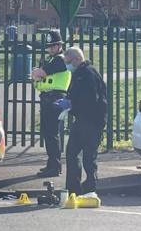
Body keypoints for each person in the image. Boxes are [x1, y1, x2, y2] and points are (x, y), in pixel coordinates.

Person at [57, 47, 107, 195]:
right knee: (72, 152)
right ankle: (73, 188)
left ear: (77, 60)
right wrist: (68, 102)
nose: (67, 66)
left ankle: (90, 187)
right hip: (82, 120)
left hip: (92, 121)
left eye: (68, 62)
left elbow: (89, 100)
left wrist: (71, 105)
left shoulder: (88, 74)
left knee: (88, 157)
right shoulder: (79, 73)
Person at [31, 30, 71, 178]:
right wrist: (38, 73)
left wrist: (38, 72)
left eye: (54, 45)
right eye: (49, 46)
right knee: (48, 133)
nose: (51, 48)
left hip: (55, 99)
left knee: (52, 133)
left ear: (60, 45)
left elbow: (39, 74)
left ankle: (55, 167)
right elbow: (37, 74)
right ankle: (51, 164)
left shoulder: (60, 60)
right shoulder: (51, 59)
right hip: (48, 98)